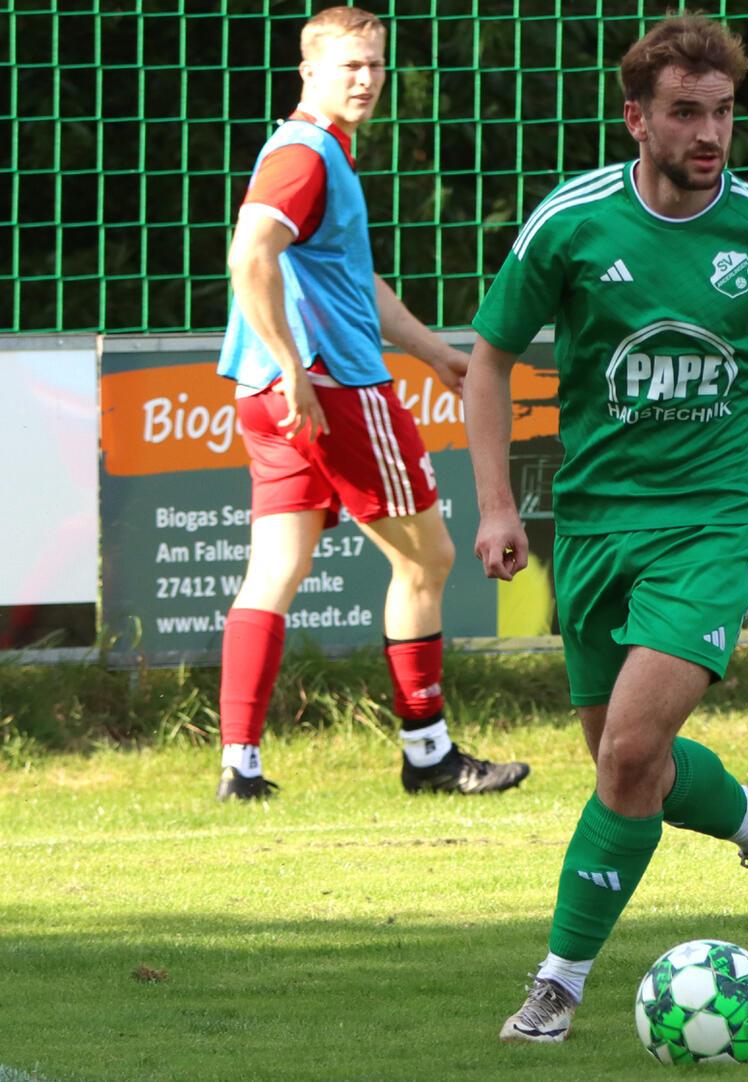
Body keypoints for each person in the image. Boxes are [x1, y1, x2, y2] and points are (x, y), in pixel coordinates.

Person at [463, 15, 748, 1043]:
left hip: (717, 519)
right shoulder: (570, 223)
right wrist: (500, 504)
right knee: (622, 763)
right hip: (598, 526)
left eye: (723, 112)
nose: (710, 133)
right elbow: (488, 355)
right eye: (686, 113)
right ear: (636, 117)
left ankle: (557, 984)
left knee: (632, 751)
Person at [214, 5, 528, 802]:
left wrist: (432, 352)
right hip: (333, 390)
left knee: (277, 567)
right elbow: (249, 252)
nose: (366, 79)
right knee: (429, 560)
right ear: (307, 71)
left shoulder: (317, 155)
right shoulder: (308, 154)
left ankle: (239, 768)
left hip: (272, 393)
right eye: (349, 64)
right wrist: (293, 363)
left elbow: (351, 282)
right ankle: (428, 752)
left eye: (376, 64)